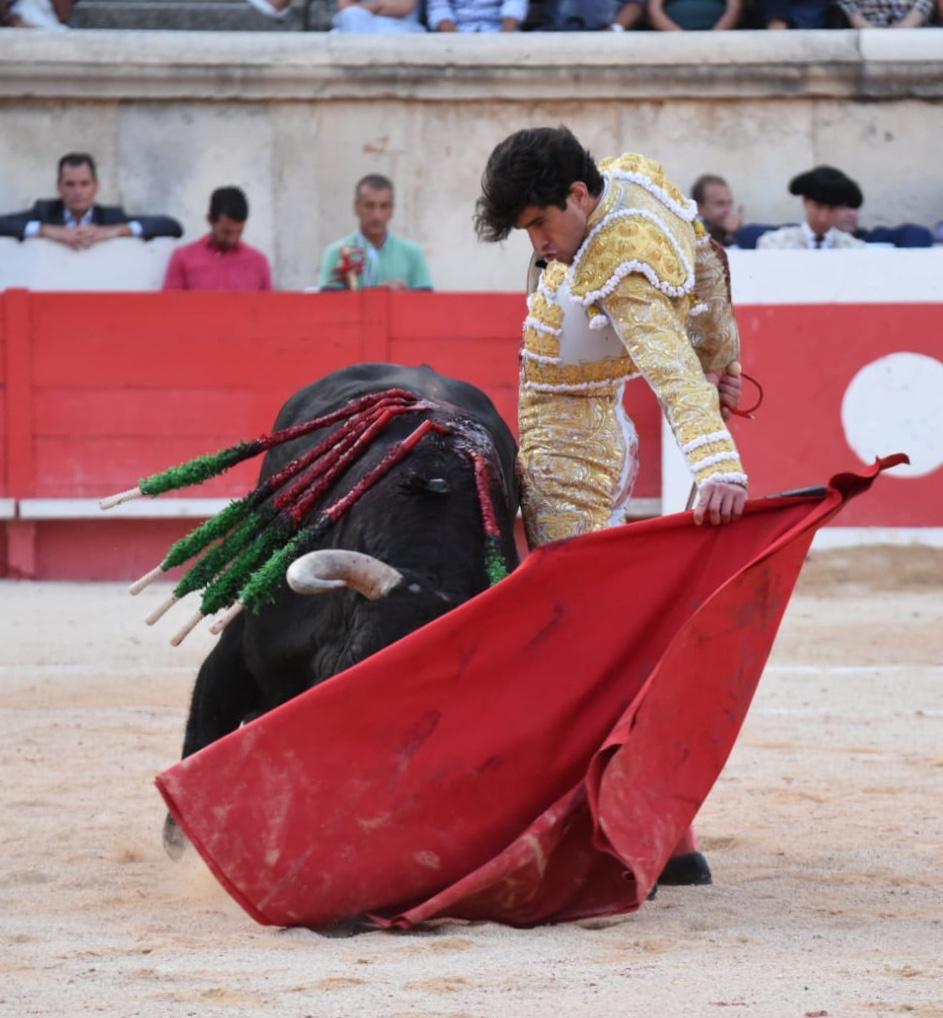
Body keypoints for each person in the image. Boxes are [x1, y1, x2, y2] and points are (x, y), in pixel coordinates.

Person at [475, 126, 748, 886]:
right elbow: (705, 264)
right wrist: (723, 358)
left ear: (576, 194)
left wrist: (716, 460)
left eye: (538, 223)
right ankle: (675, 830)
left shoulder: (615, 264)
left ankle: (627, 827)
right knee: (607, 635)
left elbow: (666, 369)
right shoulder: (631, 180)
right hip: (604, 429)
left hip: (571, 454)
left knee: (581, 644)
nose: (535, 244)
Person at [0, 152, 182, 248]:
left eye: (84, 184)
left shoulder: (111, 217)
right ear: (59, 187)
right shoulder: (44, 212)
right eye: (70, 184)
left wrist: (116, 231)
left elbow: (172, 226)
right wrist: (47, 230)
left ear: (96, 186)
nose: (78, 191)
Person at [319, 174, 433, 291]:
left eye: (384, 206)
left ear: (392, 210)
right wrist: (379, 293)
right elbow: (328, 304)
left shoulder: (412, 253)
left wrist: (402, 296)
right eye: (369, 205)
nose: (376, 215)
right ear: (356, 207)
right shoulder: (336, 253)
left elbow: (426, 304)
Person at [162, 187, 272, 292]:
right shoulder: (183, 259)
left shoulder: (258, 261)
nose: (232, 239)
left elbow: (269, 309)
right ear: (210, 220)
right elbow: (170, 307)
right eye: (226, 232)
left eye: (239, 232)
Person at [757, 166, 867, 250]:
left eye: (831, 209)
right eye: (818, 207)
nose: (823, 217)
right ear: (805, 201)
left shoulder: (853, 248)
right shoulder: (775, 244)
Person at [692, 173, 743, 247]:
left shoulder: (733, 232)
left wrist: (738, 232)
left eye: (729, 203)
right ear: (699, 208)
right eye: (720, 204)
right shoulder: (692, 235)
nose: (727, 210)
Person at [426, 0, 527, 31]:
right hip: (457, 31)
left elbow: (515, 5)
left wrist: (503, 42)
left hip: (499, 29)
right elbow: (439, 8)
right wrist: (456, 44)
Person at [331, 0, 426, 31]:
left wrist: (366, 7)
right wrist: (378, 6)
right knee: (353, 15)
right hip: (357, 24)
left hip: (401, 27)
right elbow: (345, 6)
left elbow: (404, 7)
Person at [648, 0, 741, 29]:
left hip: (718, 34)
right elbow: (654, 10)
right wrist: (680, 37)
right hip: (674, 35)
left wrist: (715, 35)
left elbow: (735, 8)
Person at [837, 0, 932, 25]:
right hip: (868, 31)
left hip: (913, 32)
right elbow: (848, 4)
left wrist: (906, 26)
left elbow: (924, 3)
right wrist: (869, 30)